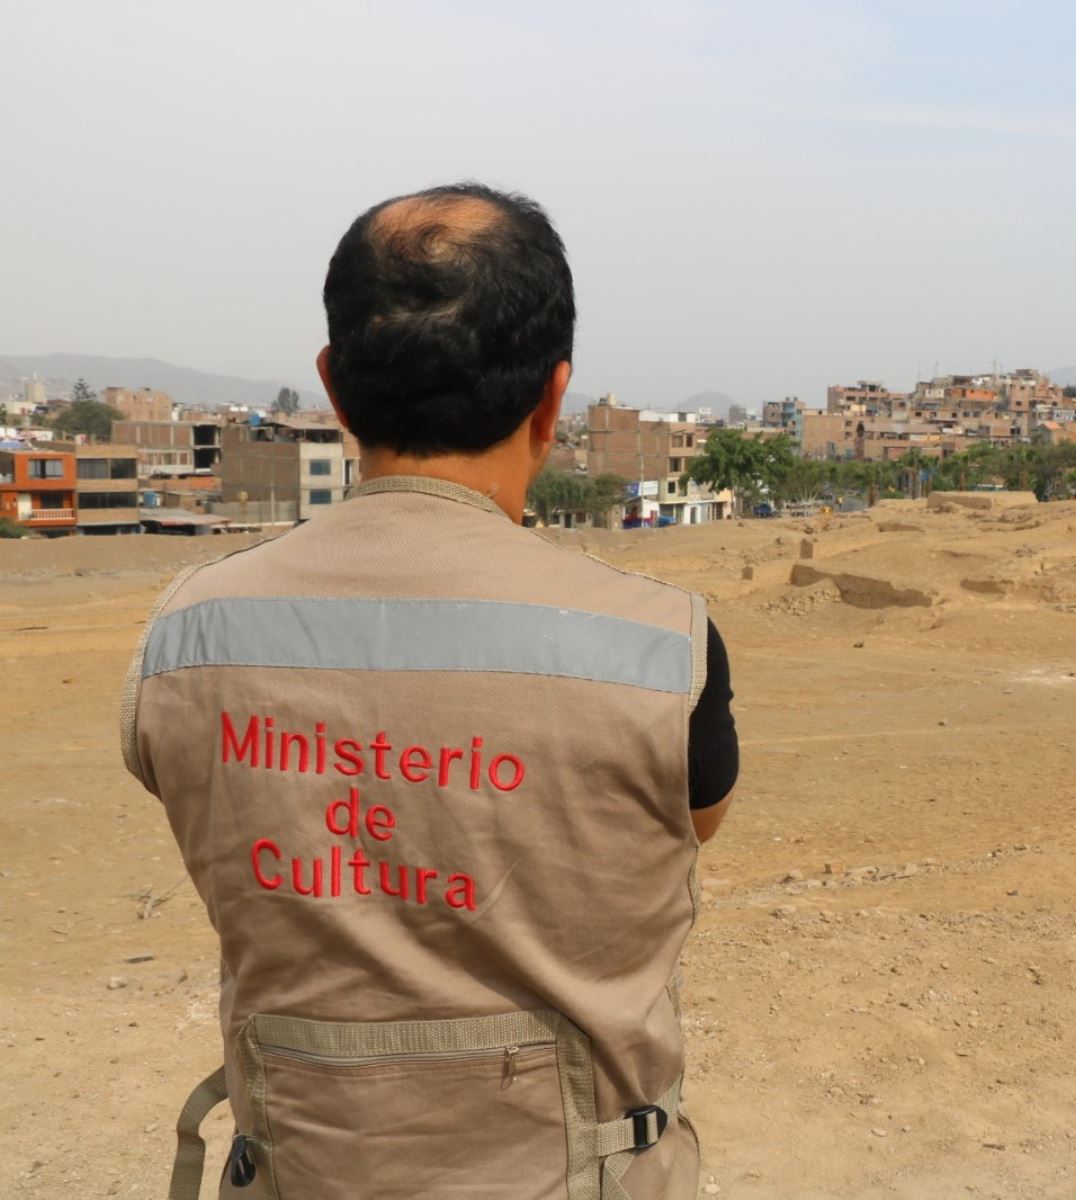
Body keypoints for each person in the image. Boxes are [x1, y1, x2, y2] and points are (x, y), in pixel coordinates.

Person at [123, 182, 736, 1199]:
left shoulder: (189, 631)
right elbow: (688, 824)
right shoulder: (662, 648)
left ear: (333, 385)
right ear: (553, 395)